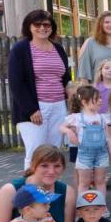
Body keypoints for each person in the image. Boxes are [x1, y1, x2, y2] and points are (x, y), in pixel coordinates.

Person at [8, 10, 70, 170]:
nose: (42, 28)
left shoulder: (58, 48)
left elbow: (65, 78)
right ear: (29, 27)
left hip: (58, 107)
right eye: (37, 24)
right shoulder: (20, 49)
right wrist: (31, 110)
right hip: (35, 109)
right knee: (36, 152)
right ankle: (32, 191)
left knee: (53, 152)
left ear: (52, 27)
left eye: (47, 24)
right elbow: (16, 83)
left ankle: (49, 190)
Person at [61, 86, 111, 203]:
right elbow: (61, 127)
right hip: (84, 155)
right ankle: (83, 206)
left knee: (100, 181)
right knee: (84, 183)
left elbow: (108, 137)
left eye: (101, 98)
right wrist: (69, 131)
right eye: (97, 98)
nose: (101, 100)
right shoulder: (76, 117)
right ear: (84, 102)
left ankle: (101, 205)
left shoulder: (103, 117)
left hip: (102, 154)